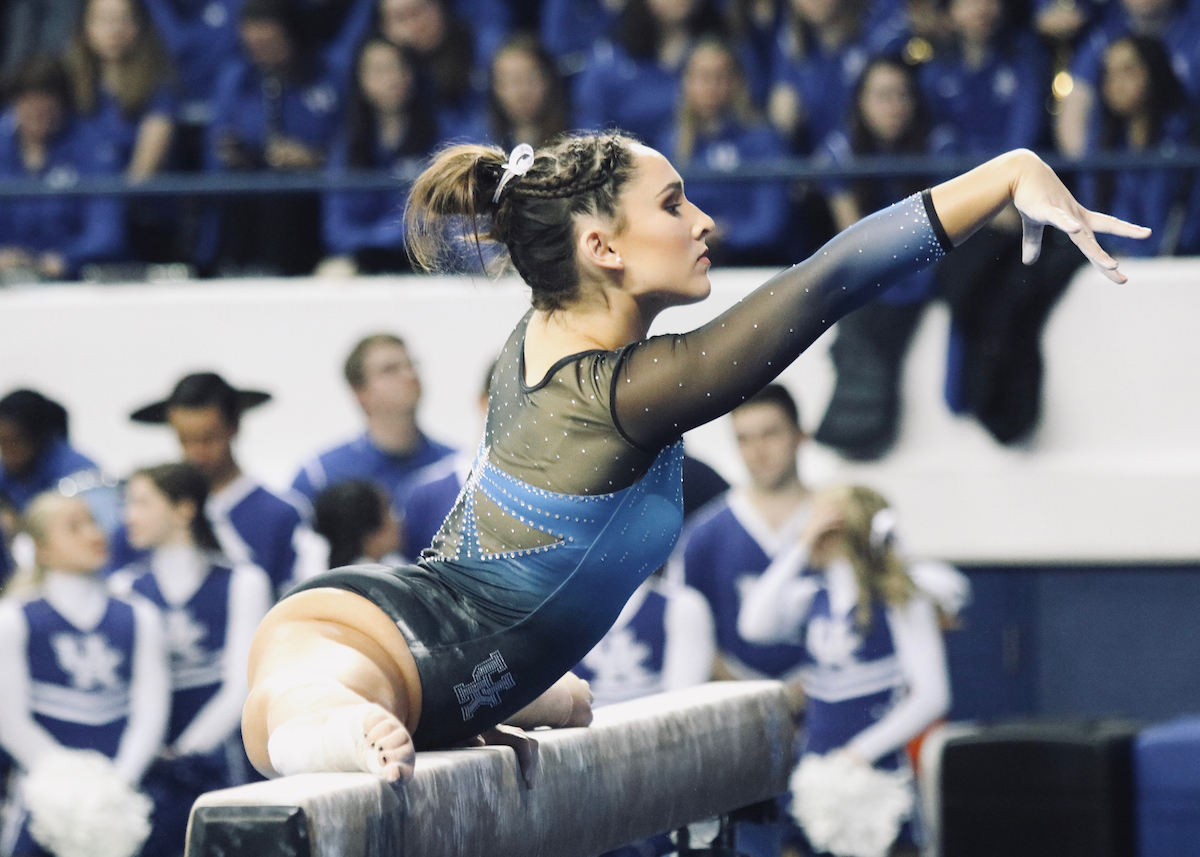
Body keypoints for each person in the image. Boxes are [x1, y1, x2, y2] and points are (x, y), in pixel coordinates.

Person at [240, 129, 1148, 784]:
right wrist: (1006, 170)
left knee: (560, 699)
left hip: (447, 654)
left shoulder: (546, 336)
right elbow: (828, 280)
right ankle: (335, 725)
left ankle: (460, 699)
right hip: (383, 642)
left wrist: (505, 687)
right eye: (673, 203)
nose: (703, 219)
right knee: (301, 704)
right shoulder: (621, 391)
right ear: (600, 247)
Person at [738, 485, 951, 855]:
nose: (805, 526)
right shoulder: (811, 596)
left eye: (815, 520)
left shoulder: (901, 600)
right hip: (814, 774)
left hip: (877, 775)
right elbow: (754, 624)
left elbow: (933, 696)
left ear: (840, 529)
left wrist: (860, 753)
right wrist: (799, 548)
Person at [110, 463, 272, 857]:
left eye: (142, 502)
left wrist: (185, 754)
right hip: (149, 755)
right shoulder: (123, 588)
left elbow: (242, 686)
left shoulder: (243, 581)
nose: (128, 515)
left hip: (228, 752)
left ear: (184, 509)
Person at [0, 492, 169, 857]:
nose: (93, 533)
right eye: (73, 527)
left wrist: (118, 783)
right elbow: (9, 720)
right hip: (44, 799)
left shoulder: (139, 615)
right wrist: (72, 787)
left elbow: (151, 710)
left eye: (93, 521)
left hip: (126, 797)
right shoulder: (13, 617)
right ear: (41, 549)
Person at [813, 57, 944, 460]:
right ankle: (855, 426)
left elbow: (946, 226)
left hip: (929, 262)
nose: (894, 106)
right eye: (882, 96)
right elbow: (856, 238)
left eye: (903, 94)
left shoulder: (940, 146)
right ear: (861, 102)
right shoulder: (840, 149)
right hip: (877, 267)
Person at [114, 372, 316, 596]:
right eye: (185, 439)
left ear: (234, 427)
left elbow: (299, 599)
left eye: (209, 438)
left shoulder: (281, 515)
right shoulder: (147, 518)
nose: (196, 452)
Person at [677, 385, 813, 690]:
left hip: (832, 706)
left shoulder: (836, 522)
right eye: (744, 439)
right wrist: (759, 698)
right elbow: (690, 633)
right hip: (737, 704)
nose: (758, 451)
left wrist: (817, 688)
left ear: (800, 436)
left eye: (770, 434)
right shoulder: (704, 535)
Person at [202, 0, 342, 276]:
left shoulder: (327, 75)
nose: (261, 52)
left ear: (290, 34)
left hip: (308, 203)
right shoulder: (236, 79)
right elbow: (215, 144)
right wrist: (232, 152)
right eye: (253, 45)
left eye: (270, 43)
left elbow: (352, 143)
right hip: (248, 202)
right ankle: (235, 269)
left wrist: (313, 158)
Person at [290, 334, 457, 518]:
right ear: (359, 391)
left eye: (412, 364)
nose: (410, 375)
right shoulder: (320, 475)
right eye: (390, 370)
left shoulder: (456, 468)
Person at [658, 37, 791, 267]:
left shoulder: (763, 141)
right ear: (686, 83)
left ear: (737, 82)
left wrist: (726, 235)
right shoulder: (670, 145)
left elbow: (770, 224)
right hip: (686, 266)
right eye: (702, 77)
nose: (711, 86)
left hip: (754, 267)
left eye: (720, 76)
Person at [317, 38, 439, 278]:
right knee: (332, 274)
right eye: (378, 70)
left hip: (419, 258)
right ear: (360, 80)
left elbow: (433, 218)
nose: (391, 78)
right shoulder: (347, 147)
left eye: (397, 67)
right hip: (364, 259)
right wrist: (381, 239)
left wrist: (387, 237)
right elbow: (334, 228)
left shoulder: (438, 136)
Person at [0, 55, 125, 283]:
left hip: (72, 280)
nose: (37, 116)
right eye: (28, 105)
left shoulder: (93, 147)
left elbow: (106, 230)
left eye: (46, 108)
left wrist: (66, 258)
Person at [1076, 34, 1192, 257]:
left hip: (1178, 265)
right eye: (1108, 74)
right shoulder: (1101, 145)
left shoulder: (1187, 138)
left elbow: (1189, 219)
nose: (1116, 83)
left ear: (1153, 70)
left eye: (1127, 70)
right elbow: (1090, 213)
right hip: (1115, 264)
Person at [573, 0, 726, 145]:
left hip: (698, 164)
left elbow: (741, 120)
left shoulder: (723, 51)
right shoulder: (608, 59)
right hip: (624, 164)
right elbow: (589, 128)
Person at [0, 390, 120, 533]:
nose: (7, 451)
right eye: (1, 442)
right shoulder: (6, 471)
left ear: (38, 437)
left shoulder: (81, 471)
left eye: (14, 441)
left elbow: (104, 532)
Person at [486, 33, 570, 150]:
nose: (521, 93)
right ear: (496, 87)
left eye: (530, 79)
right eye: (511, 81)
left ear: (548, 81)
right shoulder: (481, 142)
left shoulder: (574, 140)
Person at [313, 480, 404, 569]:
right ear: (369, 535)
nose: (397, 520)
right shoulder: (372, 581)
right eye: (387, 513)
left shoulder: (392, 563)